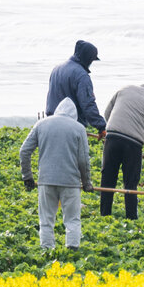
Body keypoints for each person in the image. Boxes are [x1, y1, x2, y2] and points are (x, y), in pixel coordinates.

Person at [20, 97, 93, 250]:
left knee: (46, 221)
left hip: (46, 181)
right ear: (74, 114)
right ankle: (72, 252)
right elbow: (83, 160)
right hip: (70, 182)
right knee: (72, 220)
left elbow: (24, 151)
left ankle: (47, 252)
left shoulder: (41, 124)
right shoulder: (79, 128)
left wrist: (27, 177)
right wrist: (86, 183)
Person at [99, 79, 144, 220]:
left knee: (108, 178)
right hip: (133, 144)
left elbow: (107, 113)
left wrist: (112, 130)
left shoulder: (124, 89)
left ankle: (104, 215)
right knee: (130, 182)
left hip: (112, 138)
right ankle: (131, 218)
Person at [45, 40, 107, 138]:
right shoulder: (82, 75)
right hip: (71, 126)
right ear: (87, 58)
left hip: (51, 123)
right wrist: (101, 126)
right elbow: (87, 104)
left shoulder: (57, 69)